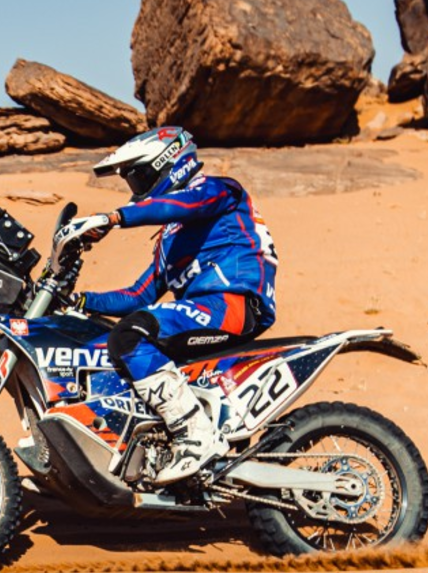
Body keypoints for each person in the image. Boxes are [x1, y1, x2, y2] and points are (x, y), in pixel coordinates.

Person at [55, 126, 278, 485]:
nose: (136, 188)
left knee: (131, 335)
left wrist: (114, 217)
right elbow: (138, 295)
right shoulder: (171, 237)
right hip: (205, 310)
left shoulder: (218, 190)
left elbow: (181, 204)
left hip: (232, 304)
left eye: (139, 176)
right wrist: (80, 300)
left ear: (167, 163)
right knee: (109, 339)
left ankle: (196, 436)